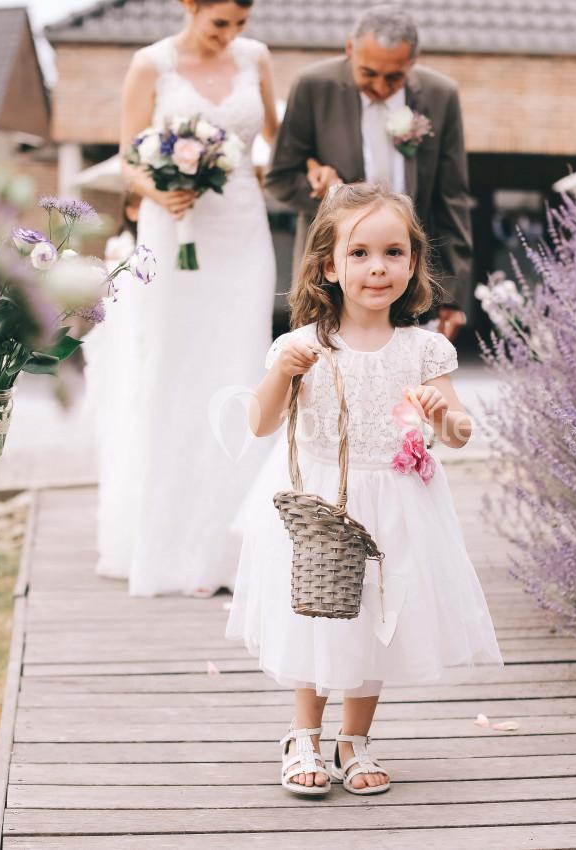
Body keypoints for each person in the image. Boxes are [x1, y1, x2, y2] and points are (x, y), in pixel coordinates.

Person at [226, 183, 502, 796]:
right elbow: (262, 424)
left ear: (413, 262)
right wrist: (281, 373)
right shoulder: (303, 344)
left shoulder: (425, 349)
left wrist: (441, 415)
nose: (378, 267)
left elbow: (458, 432)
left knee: (379, 615)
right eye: (359, 253)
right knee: (316, 612)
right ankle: (303, 734)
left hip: (395, 504)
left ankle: (354, 738)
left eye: (393, 252)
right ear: (329, 266)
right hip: (323, 503)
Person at [83, 0, 280, 597]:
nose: (231, 35)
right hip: (173, 230)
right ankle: (171, 547)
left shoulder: (257, 59)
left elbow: (276, 140)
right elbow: (129, 157)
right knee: (177, 369)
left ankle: (236, 549)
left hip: (242, 227)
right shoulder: (151, 65)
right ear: (190, 6)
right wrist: (160, 190)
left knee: (243, 365)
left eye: (241, 23)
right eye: (220, 22)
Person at [265, 5, 474, 341]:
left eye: (394, 77)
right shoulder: (313, 86)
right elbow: (279, 177)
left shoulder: (441, 95)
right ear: (350, 49)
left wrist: (451, 295)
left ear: (413, 61)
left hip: (408, 275)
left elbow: (452, 200)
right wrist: (334, 197)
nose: (380, 86)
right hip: (334, 273)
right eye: (368, 73)